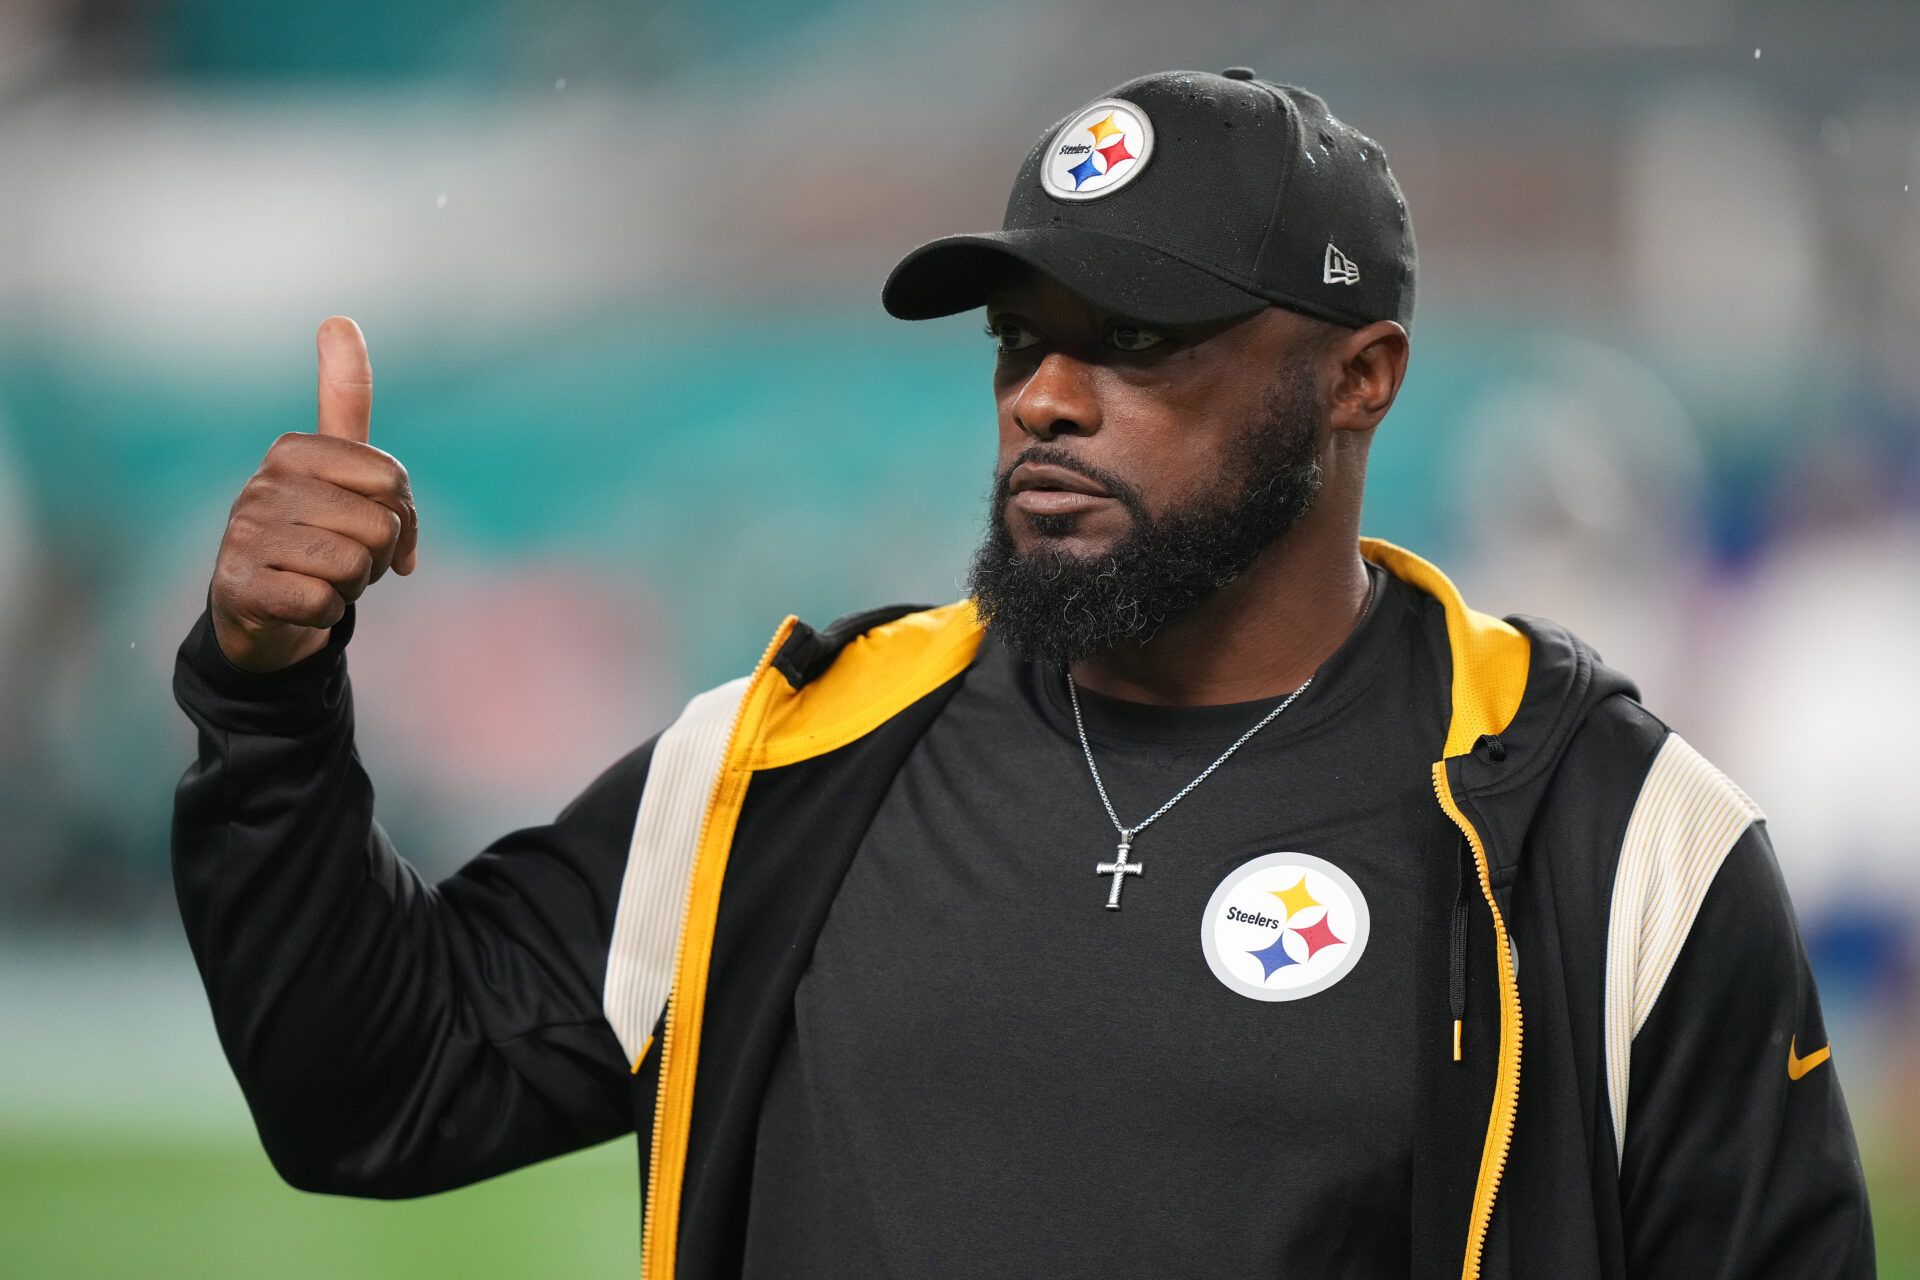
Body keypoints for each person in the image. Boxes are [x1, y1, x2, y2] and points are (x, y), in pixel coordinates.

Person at [171, 69, 1874, 1279]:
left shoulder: (1612, 837)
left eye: (1137, 341)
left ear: (1360, 379)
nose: (1048, 396)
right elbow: (370, 1097)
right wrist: (266, 692)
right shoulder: (786, 764)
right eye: (1021, 337)